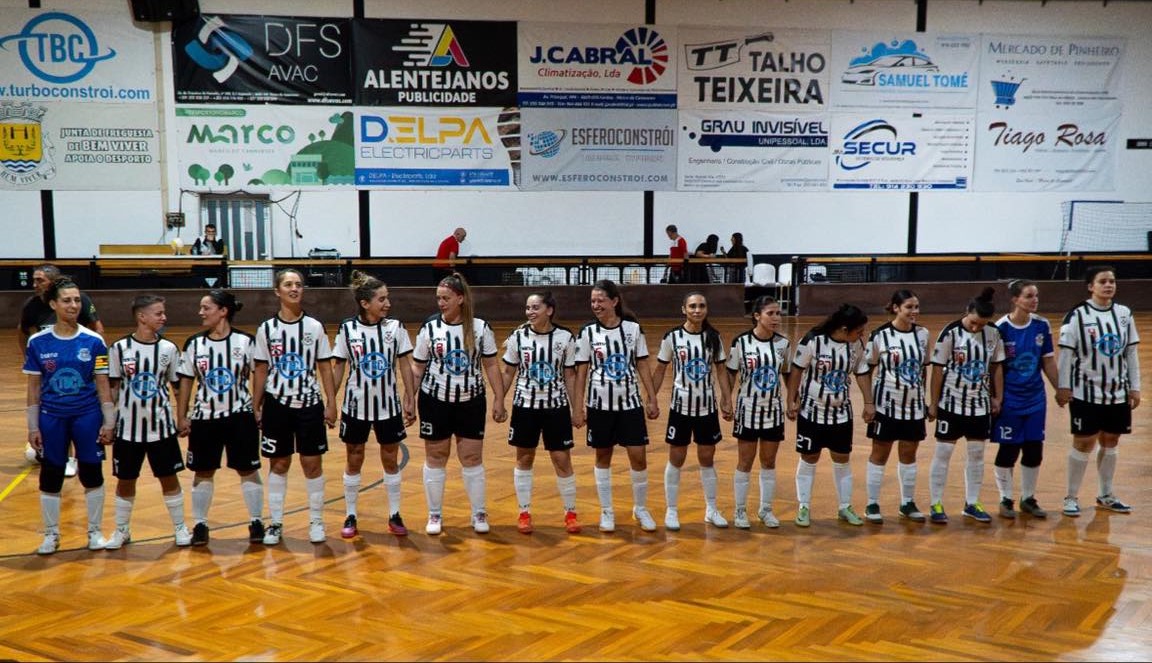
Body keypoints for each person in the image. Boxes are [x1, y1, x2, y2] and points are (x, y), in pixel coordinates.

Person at [23, 277, 115, 554]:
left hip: (87, 416)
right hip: (51, 417)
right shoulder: (38, 342)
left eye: (77, 300)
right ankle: (51, 534)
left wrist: (109, 421)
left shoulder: (94, 341)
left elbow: (102, 383)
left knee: (92, 473)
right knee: (51, 475)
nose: (74, 305)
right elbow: (33, 387)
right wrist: (32, 427)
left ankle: (95, 532)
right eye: (67, 300)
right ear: (53, 304)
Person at [412, 272, 506, 535]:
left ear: (460, 299)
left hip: (470, 402)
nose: (441, 303)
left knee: (472, 457)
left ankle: (478, 512)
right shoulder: (430, 327)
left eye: (446, 298)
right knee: (435, 456)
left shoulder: (480, 328)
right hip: (435, 401)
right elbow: (418, 367)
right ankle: (434, 514)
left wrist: (499, 398)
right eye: (438, 299)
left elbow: (491, 365)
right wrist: (409, 398)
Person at [252, 268, 338, 545]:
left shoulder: (314, 327)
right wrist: (256, 405)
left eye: (298, 284)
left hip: (309, 405)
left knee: (312, 463)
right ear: (277, 291)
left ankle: (316, 521)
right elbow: (261, 370)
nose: (294, 289)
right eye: (288, 284)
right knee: (279, 463)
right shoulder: (266, 329)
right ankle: (276, 523)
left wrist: (331, 402)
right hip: (277, 404)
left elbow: (324, 366)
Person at [175, 289, 265, 546]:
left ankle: (256, 520)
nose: (200, 312)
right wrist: (181, 416)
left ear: (223, 311)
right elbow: (186, 381)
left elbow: (260, 374)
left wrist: (256, 406)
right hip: (205, 417)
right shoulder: (194, 344)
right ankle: (200, 524)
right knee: (203, 471)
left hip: (240, 415)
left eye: (206, 308)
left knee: (248, 468)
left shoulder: (245, 341)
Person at [332, 271, 417, 538]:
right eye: (382, 299)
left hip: (388, 406)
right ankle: (350, 514)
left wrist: (410, 397)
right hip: (355, 405)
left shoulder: (395, 328)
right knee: (354, 457)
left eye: (387, 298)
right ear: (365, 303)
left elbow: (405, 364)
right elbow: (338, 366)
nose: (387, 303)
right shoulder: (347, 329)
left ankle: (394, 513)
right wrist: (330, 401)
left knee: (390, 459)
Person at [573, 280, 661, 533]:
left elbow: (642, 364)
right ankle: (606, 511)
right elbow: (581, 373)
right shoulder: (587, 332)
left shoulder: (633, 329)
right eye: (593, 301)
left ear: (614, 301)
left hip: (630, 404)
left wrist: (651, 397)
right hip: (599, 405)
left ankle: (640, 508)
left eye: (600, 300)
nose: (596, 305)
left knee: (638, 456)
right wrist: (578, 407)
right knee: (603, 456)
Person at [105, 295, 192, 549]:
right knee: (125, 480)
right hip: (127, 429)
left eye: (163, 313)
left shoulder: (168, 349)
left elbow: (177, 387)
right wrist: (108, 423)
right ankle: (122, 530)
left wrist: (182, 417)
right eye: (159, 313)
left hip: (161, 428)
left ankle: (180, 527)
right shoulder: (119, 348)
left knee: (169, 478)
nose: (164, 317)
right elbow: (113, 389)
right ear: (141, 317)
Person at [1057, 265, 1141, 517]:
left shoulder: (1124, 314)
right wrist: (1063, 386)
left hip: (1117, 392)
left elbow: (1131, 353)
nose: (1108, 285)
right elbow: (1066, 354)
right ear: (1090, 286)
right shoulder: (1077, 315)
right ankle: (1071, 497)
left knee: (1111, 440)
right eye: (1103, 281)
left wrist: (1135, 387)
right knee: (1084, 442)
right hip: (1086, 392)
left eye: (1112, 281)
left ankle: (1106, 494)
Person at [498, 291, 582, 534]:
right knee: (524, 458)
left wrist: (577, 408)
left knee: (562, 459)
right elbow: (508, 372)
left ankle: (570, 513)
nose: (530, 312)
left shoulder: (565, 337)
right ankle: (524, 513)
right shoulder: (518, 337)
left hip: (556, 408)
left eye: (535, 307)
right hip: (525, 407)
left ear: (549, 310)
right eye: (527, 308)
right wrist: (499, 401)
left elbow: (570, 375)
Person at [652, 292, 733, 530]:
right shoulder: (672, 337)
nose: (697, 310)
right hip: (680, 408)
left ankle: (711, 509)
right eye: (693, 306)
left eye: (701, 306)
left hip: (706, 408)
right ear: (684, 309)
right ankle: (671, 510)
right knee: (676, 458)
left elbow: (721, 371)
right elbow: (660, 370)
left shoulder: (713, 337)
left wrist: (726, 399)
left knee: (707, 459)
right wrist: (651, 399)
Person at [785, 303, 870, 527]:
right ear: (844, 329)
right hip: (812, 412)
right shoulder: (813, 340)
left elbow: (861, 371)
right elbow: (796, 369)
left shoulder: (855, 345)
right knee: (809, 458)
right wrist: (791, 399)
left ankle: (845, 506)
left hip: (841, 414)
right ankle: (804, 506)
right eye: (859, 331)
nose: (862, 335)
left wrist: (869, 402)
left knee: (842, 459)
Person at [926, 287, 1005, 524]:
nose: (975, 328)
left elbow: (997, 367)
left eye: (981, 325)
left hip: (979, 406)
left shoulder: (993, 333)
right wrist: (934, 403)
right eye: (973, 323)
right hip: (951, 404)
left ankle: (972, 503)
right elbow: (937, 370)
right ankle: (936, 503)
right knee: (943, 452)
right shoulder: (950, 333)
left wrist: (997, 397)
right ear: (967, 312)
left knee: (977, 454)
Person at [19, 262, 104, 476]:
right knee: (56, 407)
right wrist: (29, 358)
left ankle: (75, 455)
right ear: (53, 304)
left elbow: (97, 327)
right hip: (51, 367)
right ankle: (64, 456)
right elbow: (23, 330)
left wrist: (98, 359)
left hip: (78, 363)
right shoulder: (31, 306)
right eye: (34, 280)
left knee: (78, 407)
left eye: (40, 280)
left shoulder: (81, 301)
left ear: (52, 281)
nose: (35, 284)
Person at [861, 290, 930, 524]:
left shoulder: (923, 334)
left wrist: (924, 398)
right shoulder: (880, 335)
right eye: (909, 307)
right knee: (879, 454)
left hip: (914, 407)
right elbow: (866, 370)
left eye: (916, 307)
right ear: (896, 308)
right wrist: (868, 403)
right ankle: (872, 503)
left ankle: (907, 503)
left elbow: (923, 369)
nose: (914, 311)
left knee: (909, 455)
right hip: (885, 406)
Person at [992, 279, 1058, 519]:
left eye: (1036, 295)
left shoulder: (1041, 325)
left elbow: (1048, 361)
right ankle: (1005, 498)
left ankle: (1028, 498)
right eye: (1029, 296)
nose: (1034, 300)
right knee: (1009, 449)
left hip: (1036, 398)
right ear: (1015, 300)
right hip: (1010, 399)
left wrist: (1060, 389)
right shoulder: (1001, 328)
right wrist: (997, 398)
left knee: (1033, 449)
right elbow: (996, 367)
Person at [725, 295, 791, 529]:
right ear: (757, 316)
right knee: (745, 461)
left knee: (769, 461)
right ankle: (740, 510)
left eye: (778, 313)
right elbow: (730, 373)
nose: (776, 318)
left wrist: (792, 399)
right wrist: (726, 400)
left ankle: (766, 509)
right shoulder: (741, 342)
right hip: (747, 410)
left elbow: (787, 373)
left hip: (773, 410)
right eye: (770, 313)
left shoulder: (783, 344)